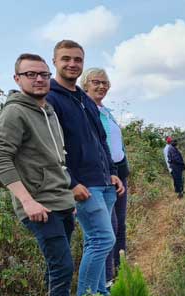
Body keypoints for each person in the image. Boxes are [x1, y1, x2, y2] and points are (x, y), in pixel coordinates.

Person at [0, 53, 77, 296]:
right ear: (17, 79)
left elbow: (56, 159)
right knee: (62, 266)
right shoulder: (15, 113)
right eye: (30, 74)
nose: (39, 79)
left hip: (61, 201)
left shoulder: (48, 109)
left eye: (43, 74)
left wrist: (67, 196)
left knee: (61, 269)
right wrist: (27, 200)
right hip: (39, 207)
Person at [46, 40, 124, 296]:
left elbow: (101, 139)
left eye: (77, 59)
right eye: (66, 59)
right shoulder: (52, 99)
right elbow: (51, 147)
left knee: (104, 239)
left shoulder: (83, 98)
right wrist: (70, 181)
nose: (72, 64)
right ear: (54, 61)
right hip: (83, 186)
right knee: (101, 239)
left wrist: (112, 171)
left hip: (103, 181)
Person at [80, 68, 128, 284]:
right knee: (106, 229)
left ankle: (121, 268)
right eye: (95, 82)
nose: (101, 86)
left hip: (117, 173)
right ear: (85, 84)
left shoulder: (105, 111)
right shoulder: (84, 109)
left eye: (105, 83)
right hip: (100, 177)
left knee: (120, 224)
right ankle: (106, 280)